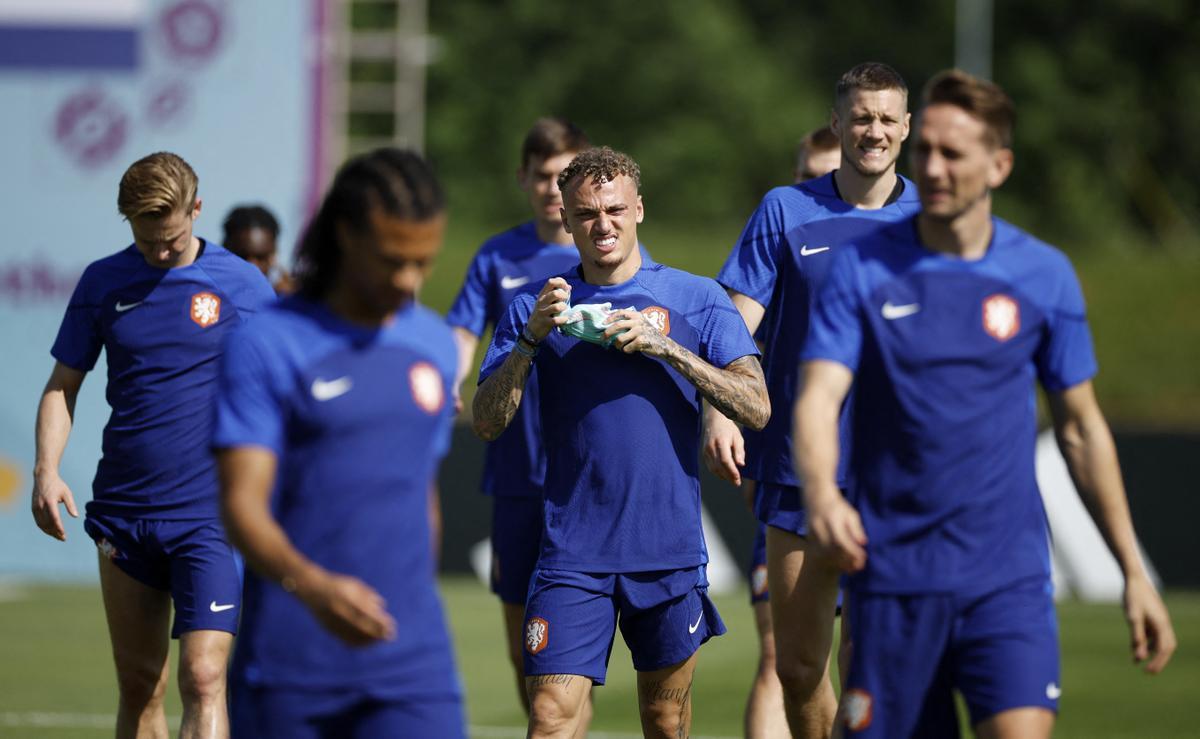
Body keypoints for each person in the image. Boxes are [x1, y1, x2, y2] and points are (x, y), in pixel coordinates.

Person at [794, 69, 1177, 738]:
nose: (933, 168)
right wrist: (823, 496)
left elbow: (1082, 430)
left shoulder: (1043, 274)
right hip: (892, 579)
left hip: (1007, 579)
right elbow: (818, 397)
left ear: (998, 165)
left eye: (953, 153)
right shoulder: (863, 270)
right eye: (927, 152)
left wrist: (1133, 572)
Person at [473, 146, 770, 739]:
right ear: (565, 217)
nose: (601, 224)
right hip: (571, 556)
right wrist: (530, 341)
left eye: (613, 209)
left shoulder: (697, 299)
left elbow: (756, 406)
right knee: (550, 717)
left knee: (664, 720)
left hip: (667, 551)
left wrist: (669, 349)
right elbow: (486, 421)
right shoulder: (537, 306)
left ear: (639, 209)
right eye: (585, 214)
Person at [212, 148, 465, 738]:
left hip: (413, 663)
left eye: (423, 263)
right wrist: (313, 586)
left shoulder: (431, 343)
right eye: (392, 261)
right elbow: (241, 506)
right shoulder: (267, 343)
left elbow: (420, 496)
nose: (409, 281)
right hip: (291, 662)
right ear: (347, 235)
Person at [31, 151, 276, 739]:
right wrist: (46, 469)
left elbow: (290, 381)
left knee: (204, 676)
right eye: (148, 243)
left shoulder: (243, 284)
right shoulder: (102, 283)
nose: (161, 254)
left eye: (172, 240)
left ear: (197, 209)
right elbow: (63, 386)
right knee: (141, 684)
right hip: (125, 513)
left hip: (210, 517)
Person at [706, 62, 917, 738]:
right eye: (861, 117)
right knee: (797, 667)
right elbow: (734, 322)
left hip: (897, 474)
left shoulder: (933, 216)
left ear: (907, 126)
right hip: (799, 466)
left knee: (878, 668)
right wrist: (718, 407)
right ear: (837, 123)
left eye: (887, 118)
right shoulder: (786, 209)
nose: (873, 131)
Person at [445, 117, 591, 718]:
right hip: (514, 470)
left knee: (569, 653)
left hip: (582, 479)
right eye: (543, 176)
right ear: (524, 179)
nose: (554, 188)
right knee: (523, 649)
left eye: (565, 175)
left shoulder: (607, 249)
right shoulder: (497, 255)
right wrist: (452, 379)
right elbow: (461, 327)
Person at [742, 123, 842, 739]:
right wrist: (723, 415)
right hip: (786, 479)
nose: (817, 189)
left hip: (868, 474)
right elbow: (733, 341)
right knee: (784, 658)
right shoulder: (779, 241)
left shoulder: (892, 240)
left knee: (870, 663)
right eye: (809, 176)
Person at [222, 204, 293, 294]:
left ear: (274, 253)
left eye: (261, 258)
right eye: (242, 257)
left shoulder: (292, 300)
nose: (252, 267)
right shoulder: (207, 295)